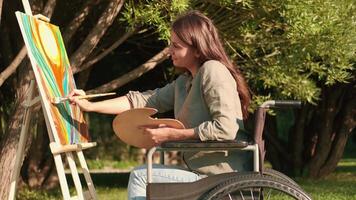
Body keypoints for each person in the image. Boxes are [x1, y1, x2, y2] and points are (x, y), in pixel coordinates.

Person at [69, 10, 251, 200]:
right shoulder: (185, 82)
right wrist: (90, 105)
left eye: (176, 46)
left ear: (197, 49)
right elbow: (139, 101)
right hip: (201, 172)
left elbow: (226, 128)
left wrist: (174, 134)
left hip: (220, 176)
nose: (169, 51)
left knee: (141, 177)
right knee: (143, 174)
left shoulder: (213, 70)